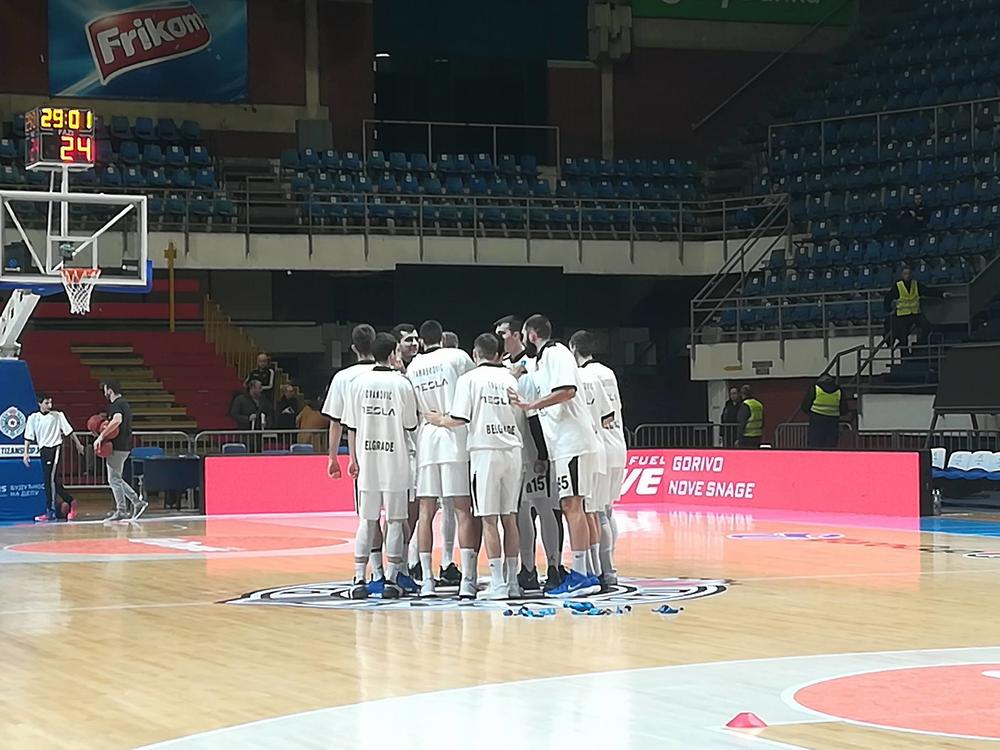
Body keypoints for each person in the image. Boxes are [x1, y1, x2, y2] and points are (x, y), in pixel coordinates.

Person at [510, 314, 602, 598]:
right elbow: (525, 370)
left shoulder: (556, 351)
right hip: (564, 446)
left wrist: (531, 405)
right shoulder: (540, 362)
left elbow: (567, 391)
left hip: (572, 442)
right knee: (573, 506)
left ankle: (581, 575)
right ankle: (585, 573)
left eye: (524, 335)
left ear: (532, 334)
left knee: (572, 506)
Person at [426, 333, 523, 599]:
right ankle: (513, 583)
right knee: (510, 518)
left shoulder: (468, 379)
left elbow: (459, 418)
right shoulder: (509, 378)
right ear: (498, 354)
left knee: (489, 519)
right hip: (513, 449)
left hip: (485, 451)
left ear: (475, 353)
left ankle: (498, 583)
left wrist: (438, 419)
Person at [340, 332, 419, 600]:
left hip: (367, 460)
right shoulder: (402, 383)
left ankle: (359, 578)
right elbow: (411, 424)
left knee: (367, 520)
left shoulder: (357, 383)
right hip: (395, 460)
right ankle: (392, 579)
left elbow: (351, 425)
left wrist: (353, 458)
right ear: (394, 352)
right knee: (395, 520)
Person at [407, 319, 477, 598]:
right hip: (454, 436)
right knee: (462, 510)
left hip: (427, 440)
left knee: (425, 511)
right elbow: (474, 386)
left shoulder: (413, 366)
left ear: (422, 341)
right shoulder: (457, 357)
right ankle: (467, 580)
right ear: (443, 338)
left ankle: (426, 581)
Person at [570, 330, 627, 589]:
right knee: (607, 510)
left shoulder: (582, 376)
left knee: (595, 512)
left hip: (599, 447)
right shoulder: (608, 372)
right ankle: (609, 567)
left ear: (573, 348)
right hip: (618, 444)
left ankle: (602, 570)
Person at [323, 324, 377, 479]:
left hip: (360, 450)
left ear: (354, 348)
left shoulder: (342, 377)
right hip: (391, 447)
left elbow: (336, 422)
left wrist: (333, 457)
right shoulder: (393, 376)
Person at [23, 393, 84, 522]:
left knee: (49, 479)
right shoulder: (33, 418)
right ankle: (70, 500)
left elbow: (69, 431)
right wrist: (26, 453)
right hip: (43, 450)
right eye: (46, 403)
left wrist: (78, 444)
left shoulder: (58, 415)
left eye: (50, 403)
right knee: (51, 481)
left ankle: (50, 510)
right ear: (40, 403)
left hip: (54, 448)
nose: (49, 406)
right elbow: (28, 436)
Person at [94, 380, 147, 522]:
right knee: (115, 479)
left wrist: (101, 436)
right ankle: (135, 503)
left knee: (114, 479)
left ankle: (124, 509)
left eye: (105, 390)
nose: (104, 393)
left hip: (118, 447)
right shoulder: (125, 404)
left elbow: (117, 420)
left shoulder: (117, 404)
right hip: (124, 446)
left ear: (109, 390)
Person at [883, 265, 949, 354]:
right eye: (905, 274)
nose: (907, 276)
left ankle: (921, 346)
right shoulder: (898, 286)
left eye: (909, 273)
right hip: (902, 315)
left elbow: (927, 291)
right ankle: (905, 356)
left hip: (915, 313)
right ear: (902, 275)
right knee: (903, 337)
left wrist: (941, 294)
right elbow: (888, 298)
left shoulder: (915, 284)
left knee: (927, 326)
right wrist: (888, 309)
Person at [802, 375, 846, 449]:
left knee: (815, 445)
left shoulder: (816, 388)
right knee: (830, 446)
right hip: (833, 422)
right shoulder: (839, 390)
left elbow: (805, 406)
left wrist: (812, 413)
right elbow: (844, 409)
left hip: (816, 420)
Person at [736, 384, 764, 449]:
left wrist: (738, 438)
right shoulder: (759, 404)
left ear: (742, 394)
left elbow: (742, 422)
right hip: (758, 435)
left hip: (747, 436)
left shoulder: (745, 405)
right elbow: (763, 420)